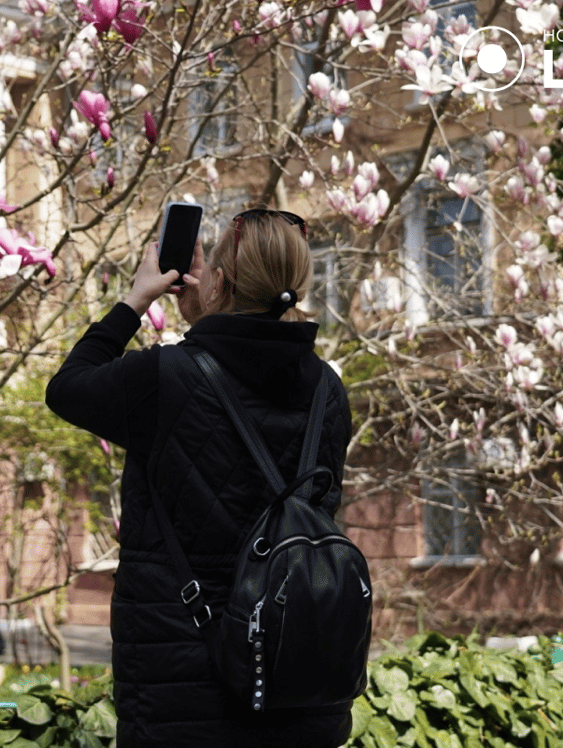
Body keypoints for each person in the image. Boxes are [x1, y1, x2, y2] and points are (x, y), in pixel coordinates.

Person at [45, 210, 353, 748]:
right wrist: (203, 319)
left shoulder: (165, 377)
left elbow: (68, 388)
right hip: (298, 679)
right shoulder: (329, 390)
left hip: (183, 687)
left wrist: (135, 301)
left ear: (221, 281)